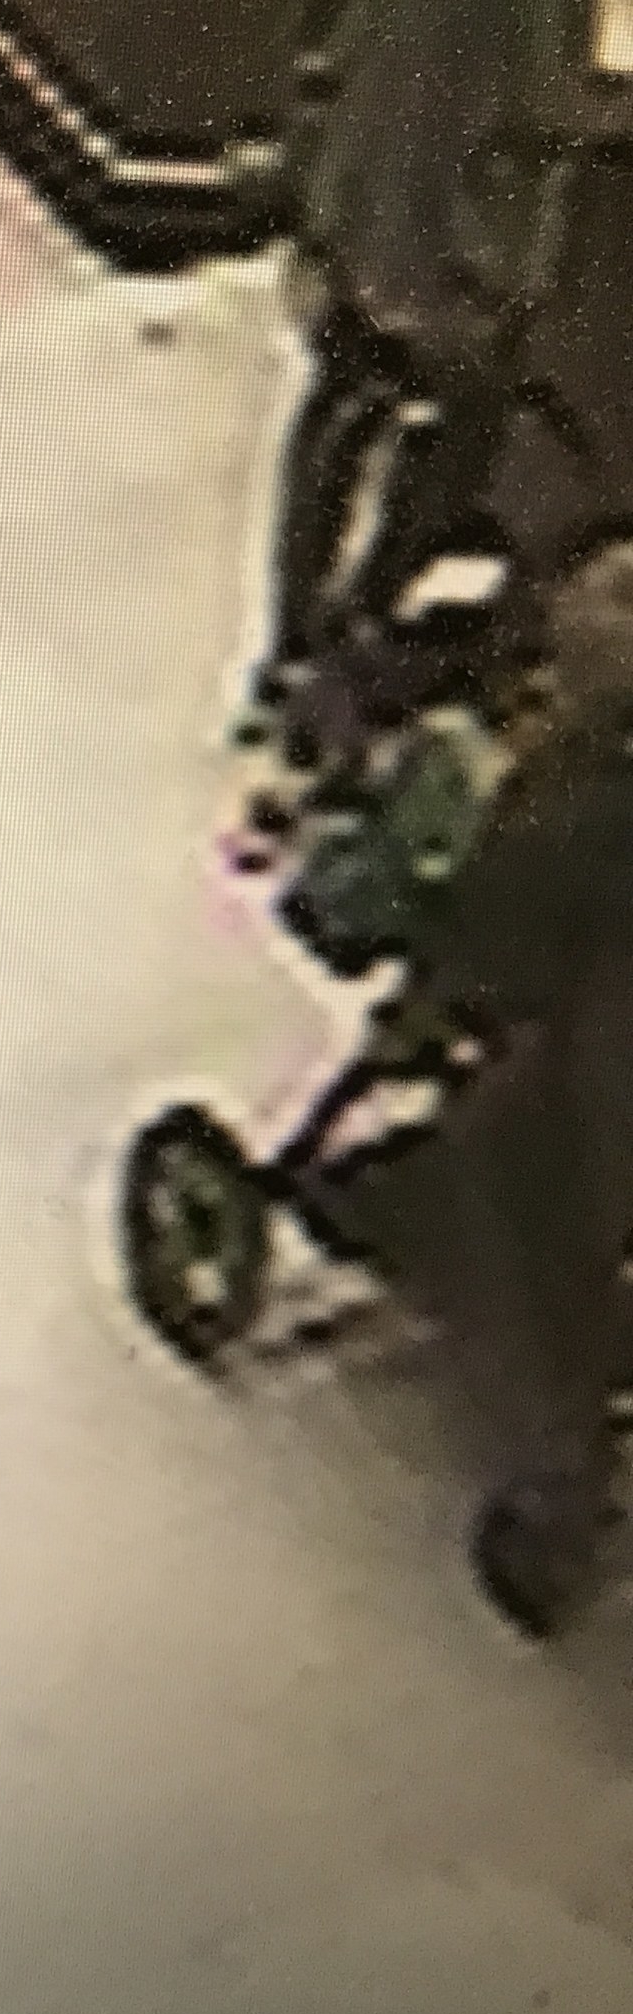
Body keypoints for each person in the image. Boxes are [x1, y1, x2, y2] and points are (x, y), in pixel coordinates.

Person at [250, 0, 633, 737]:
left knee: (340, 396)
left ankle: (291, 640)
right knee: (460, 427)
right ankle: (366, 627)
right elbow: (549, 93)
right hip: (474, 222)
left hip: (364, 170)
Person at [385, 539, 633, 1631]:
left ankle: (558, 1487)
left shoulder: (594, 774)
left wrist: (437, 999)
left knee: (518, 1170)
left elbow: (512, 911)